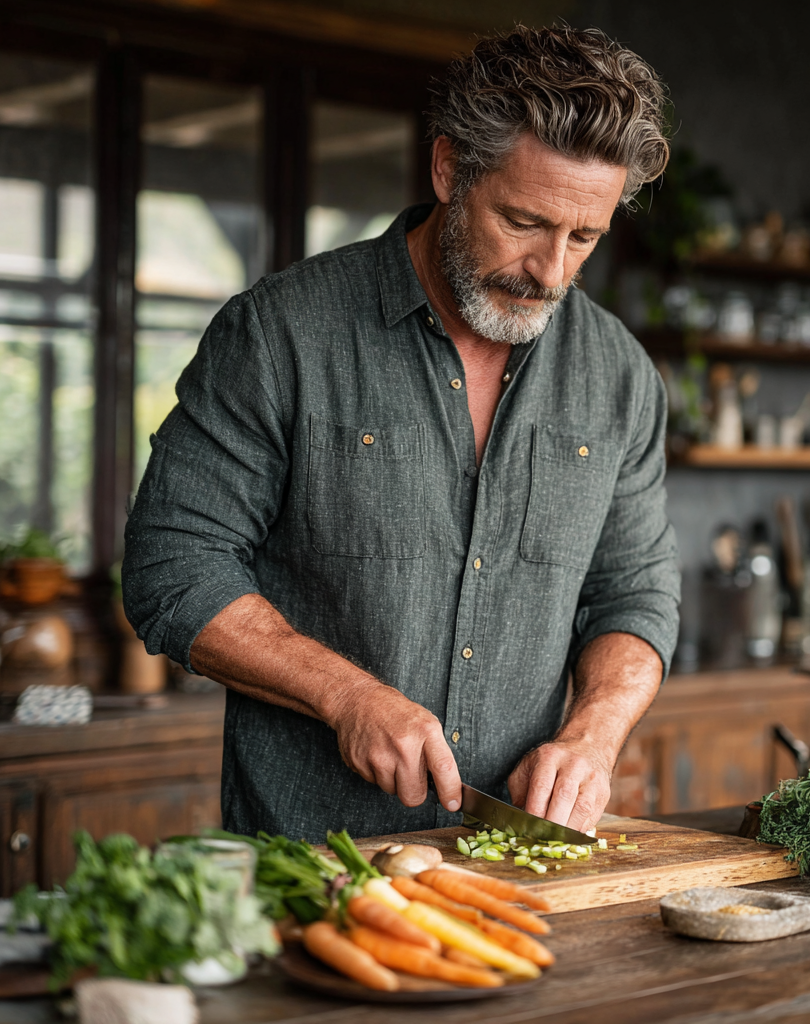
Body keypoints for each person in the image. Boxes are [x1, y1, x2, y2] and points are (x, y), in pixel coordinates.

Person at [122, 25, 680, 842]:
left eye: (584, 236)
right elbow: (172, 562)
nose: (551, 270)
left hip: (512, 864)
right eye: (524, 221)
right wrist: (345, 695)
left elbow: (636, 593)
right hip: (311, 865)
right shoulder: (280, 335)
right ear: (450, 168)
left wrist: (594, 735)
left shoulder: (620, 375)